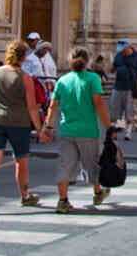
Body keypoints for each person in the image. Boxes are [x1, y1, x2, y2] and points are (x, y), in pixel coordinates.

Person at [40, 47, 111, 214]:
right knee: (92, 164)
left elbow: (53, 106)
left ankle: (63, 200)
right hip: (88, 130)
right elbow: (98, 103)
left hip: (67, 130)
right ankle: (98, 192)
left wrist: (48, 127)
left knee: (65, 165)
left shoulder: (62, 81)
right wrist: (109, 125)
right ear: (87, 61)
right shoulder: (93, 78)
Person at [0, 41, 44, 215]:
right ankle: (25, 195)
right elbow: (31, 106)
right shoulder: (25, 77)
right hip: (18, 123)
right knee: (21, 161)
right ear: (23, 57)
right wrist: (39, 129)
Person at [110, 40, 137, 139]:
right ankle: (120, 126)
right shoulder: (118, 56)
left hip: (131, 87)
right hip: (118, 86)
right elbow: (114, 67)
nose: (122, 52)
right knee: (117, 109)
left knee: (129, 110)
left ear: (128, 47)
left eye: (123, 49)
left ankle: (128, 133)